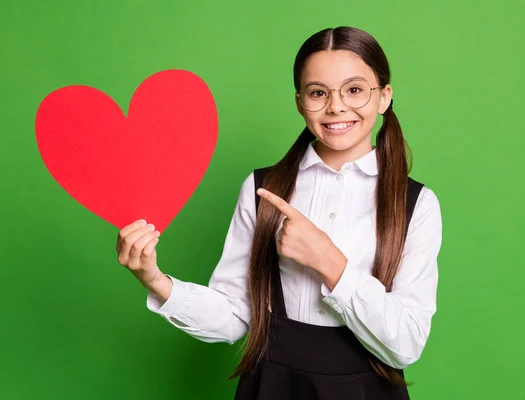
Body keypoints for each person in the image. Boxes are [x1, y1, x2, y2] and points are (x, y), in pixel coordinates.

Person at [115, 26, 443, 399]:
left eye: (354, 90)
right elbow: (234, 317)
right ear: (300, 102)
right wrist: (154, 279)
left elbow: (406, 345)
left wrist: (330, 262)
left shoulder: (417, 203)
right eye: (318, 92)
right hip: (273, 387)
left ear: (384, 97)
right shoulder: (263, 189)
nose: (336, 106)